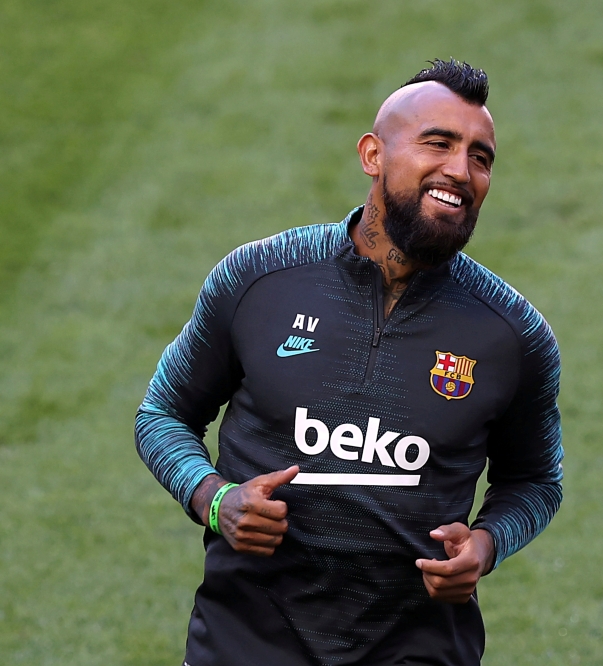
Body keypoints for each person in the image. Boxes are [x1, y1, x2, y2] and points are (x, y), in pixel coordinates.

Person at [135, 58, 563, 666]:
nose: (459, 170)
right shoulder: (259, 279)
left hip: (415, 647)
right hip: (248, 640)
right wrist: (214, 497)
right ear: (372, 155)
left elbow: (535, 481)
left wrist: (487, 544)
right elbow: (161, 414)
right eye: (437, 144)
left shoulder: (512, 333)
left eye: (480, 156)